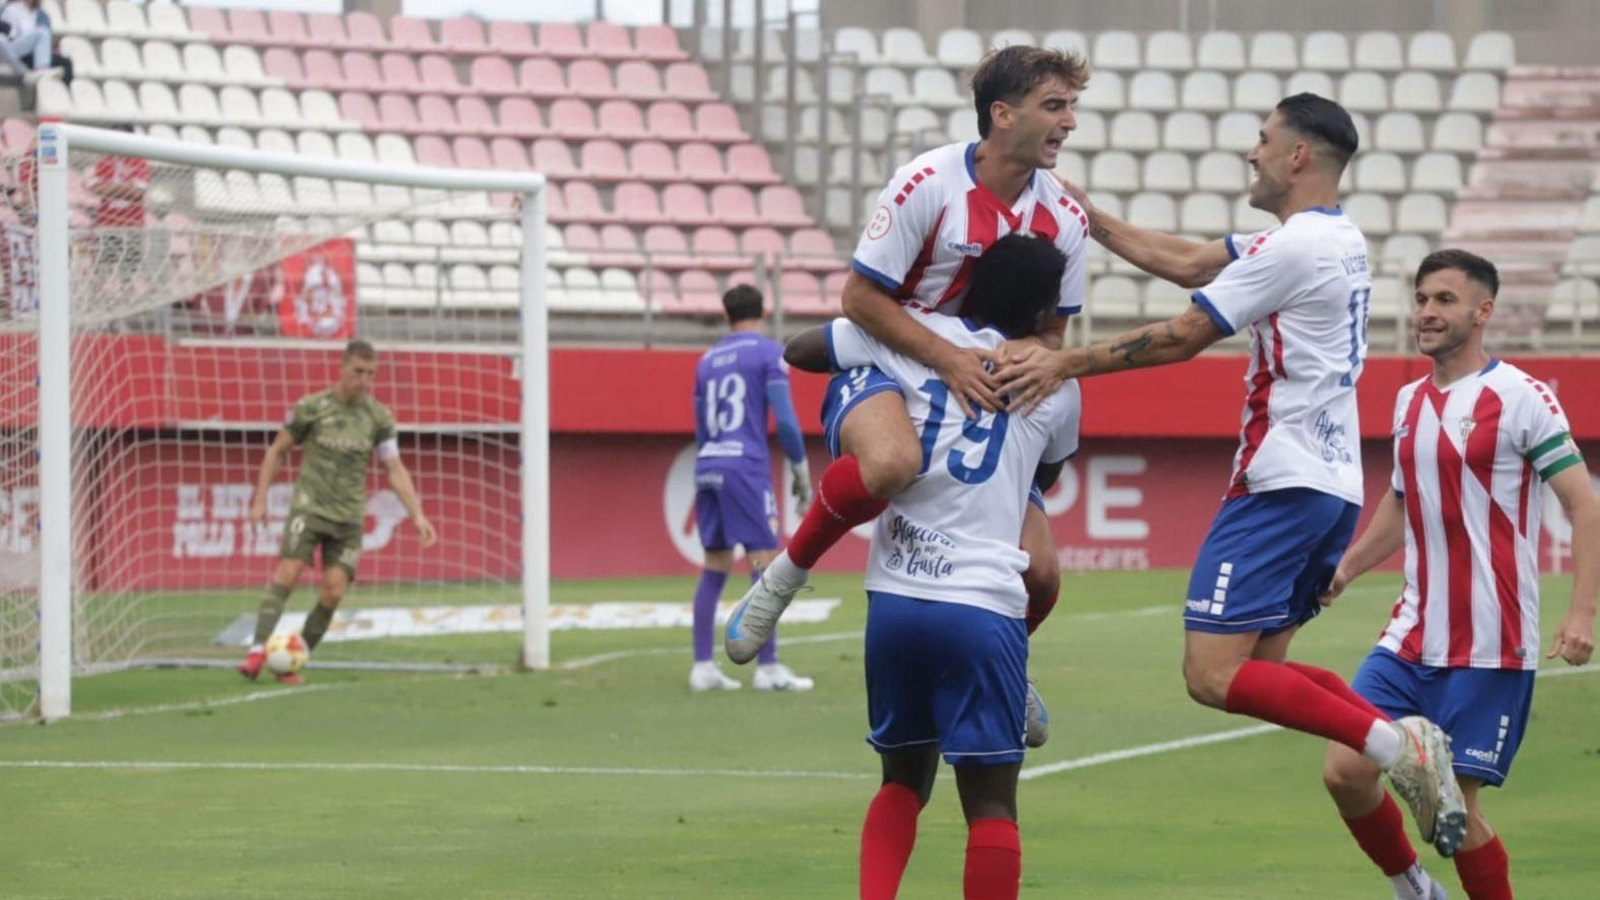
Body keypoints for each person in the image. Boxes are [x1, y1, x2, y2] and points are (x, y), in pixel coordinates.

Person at [990, 92, 1469, 854]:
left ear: (1298, 156)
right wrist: (1080, 209)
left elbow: (1183, 335)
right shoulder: (1329, 238)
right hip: (1328, 487)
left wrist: (1062, 362)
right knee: (1262, 673)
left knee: (1211, 675)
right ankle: (1401, 746)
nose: (1252, 152)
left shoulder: (1294, 249)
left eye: (1262, 139)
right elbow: (1180, 260)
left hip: (1279, 482)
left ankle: (1396, 748)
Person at [724, 46, 1093, 740]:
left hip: (981, 388)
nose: (1069, 122)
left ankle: (1011, 660)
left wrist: (1013, 366)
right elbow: (859, 297)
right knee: (893, 465)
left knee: (1041, 573)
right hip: (892, 359)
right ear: (1001, 113)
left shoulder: (1065, 218)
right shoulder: (927, 181)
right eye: (1055, 106)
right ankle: (782, 576)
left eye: (1071, 106)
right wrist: (950, 359)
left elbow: (1051, 333)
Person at [784, 233, 1080, 900]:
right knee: (992, 808)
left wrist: (880, 364)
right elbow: (1046, 474)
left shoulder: (920, 336)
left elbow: (799, 350)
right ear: (1043, 316)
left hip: (894, 600)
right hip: (981, 605)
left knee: (899, 785)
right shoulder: (1057, 381)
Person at [1318, 249, 1599, 900]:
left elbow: (1584, 504)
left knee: (1456, 814)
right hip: (1411, 635)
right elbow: (1399, 499)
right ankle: (1413, 887)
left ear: (1483, 311)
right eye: (1420, 299)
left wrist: (1581, 612)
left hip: (1491, 644)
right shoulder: (1407, 400)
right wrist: (1347, 571)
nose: (1427, 312)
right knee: (1343, 771)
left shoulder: (1523, 398)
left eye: (1444, 299)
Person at [237, 339, 438, 683]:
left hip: (348, 518)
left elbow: (393, 466)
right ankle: (256, 653)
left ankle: (292, 660)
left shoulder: (378, 417)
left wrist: (417, 513)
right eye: (358, 371)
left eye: (370, 374)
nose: (364, 379)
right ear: (343, 368)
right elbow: (277, 451)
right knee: (290, 569)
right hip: (310, 508)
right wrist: (260, 498)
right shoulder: (312, 408)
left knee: (333, 590)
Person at [688, 284, 814, 693]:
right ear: (763, 312)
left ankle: (703, 667)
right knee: (765, 568)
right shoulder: (768, 353)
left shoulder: (706, 361)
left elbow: (703, 427)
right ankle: (768, 667)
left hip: (708, 462)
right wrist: (799, 468)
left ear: (726, 316)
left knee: (715, 567)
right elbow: (787, 420)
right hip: (745, 465)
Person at [86, 124, 150, 291]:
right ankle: (96, 306)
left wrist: (109, 189)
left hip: (131, 226)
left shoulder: (139, 162)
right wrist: (124, 188)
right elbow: (94, 189)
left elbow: (137, 193)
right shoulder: (104, 162)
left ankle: (127, 305)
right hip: (106, 225)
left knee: (128, 274)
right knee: (100, 270)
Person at [0, 0, 56, 83]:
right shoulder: (8, 9)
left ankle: (41, 69)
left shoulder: (21, 9)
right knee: (1, 39)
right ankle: (24, 72)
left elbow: (13, 34)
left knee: (43, 32)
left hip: (9, 48)